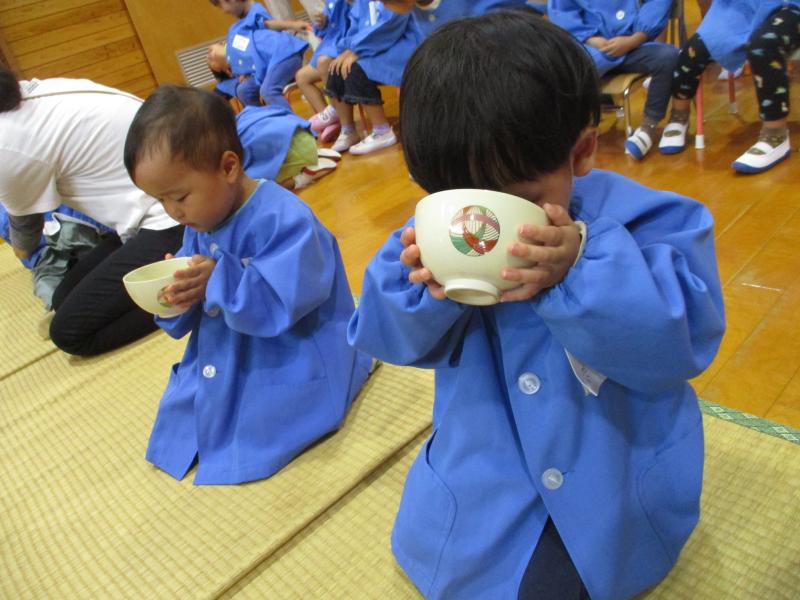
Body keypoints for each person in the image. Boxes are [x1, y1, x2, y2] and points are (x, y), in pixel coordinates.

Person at [348, 12, 725, 599]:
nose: (484, 223)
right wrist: (423, 287)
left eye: (518, 200)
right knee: (457, 564)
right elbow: (382, 336)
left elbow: (679, 346)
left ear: (581, 151)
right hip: (485, 466)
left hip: (612, 468)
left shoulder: (652, 220)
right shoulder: (432, 232)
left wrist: (584, 268)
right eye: (455, 197)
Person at [124, 85, 372, 485]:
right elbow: (198, 306)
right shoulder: (200, 221)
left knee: (263, 421)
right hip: (226, 346)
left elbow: (286, 299)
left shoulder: (285, 218)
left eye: (179, 197)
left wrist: (217, 281)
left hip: (290, 348)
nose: (173, 212)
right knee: (185, 412)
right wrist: (177, 295)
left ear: (228, 167)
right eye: (161, 201)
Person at [0, 66, 183, 356]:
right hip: (147, 210)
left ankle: (194, 296)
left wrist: (22, 251)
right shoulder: (30, 93)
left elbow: (25, 236)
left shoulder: (6, 144)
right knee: (61, 298)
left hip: (172, 215)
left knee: (69, 334)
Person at [659, 0, 800, 173]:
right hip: (743, 8)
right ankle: (679, 116)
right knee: (694, 49)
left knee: (765, 45)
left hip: (791, 7)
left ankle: (775, 135)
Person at [548, 0, 679, 160]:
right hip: (589, 48)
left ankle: (648, 127)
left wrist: (634, 39)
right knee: (566, 67)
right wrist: (590, 38)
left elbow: (656, 4)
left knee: (668, 56)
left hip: (633, 47)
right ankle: (576, 126)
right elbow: (562, 12)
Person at [324, 0, 422, 154]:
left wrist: (358, 49)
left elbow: (390, 27)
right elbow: (355, 28)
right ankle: (348, 130)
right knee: (336, 68)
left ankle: (382, 130)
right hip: (372, 46)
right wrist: (347, 49)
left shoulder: (396, 4)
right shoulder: (360, 3)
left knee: (357, 69)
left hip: (401, 45)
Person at [209, 0, 311, 108]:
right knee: (244, 91)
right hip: (269, 65)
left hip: (284, 56)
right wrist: (246, 72)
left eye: (221, 6)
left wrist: (293, 25)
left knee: (268, 91)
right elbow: (251, 51)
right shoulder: (240, 25)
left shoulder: (255, 11)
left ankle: (287, 119)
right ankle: (262, 116)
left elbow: (269, 24)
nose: (223, 11)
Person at [237, 104, 340, 189]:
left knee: (251, 187)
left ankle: (303, 177)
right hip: (305, 135)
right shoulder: (244, 115)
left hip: (296, 155)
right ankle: (314, 154)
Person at [299, 0, 354, 143]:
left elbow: (355, 28)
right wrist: (322, 24)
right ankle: (331, 119)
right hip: (329, 47)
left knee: (323, 63)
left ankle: (340, 117)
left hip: (343, 49)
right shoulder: (331, 2)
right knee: (301, 77)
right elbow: (326, 32)